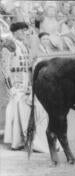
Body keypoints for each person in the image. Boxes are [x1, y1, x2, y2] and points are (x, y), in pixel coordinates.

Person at [4, 22, 32, 150]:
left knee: (24, 111)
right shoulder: (10, 45)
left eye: (24, 31)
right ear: (15, 32)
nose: (24, 33)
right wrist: (11, 87)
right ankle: (16, 142)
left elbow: (27, 67)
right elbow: (5, 68)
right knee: (15, 111)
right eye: (21, 31)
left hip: (24, 81)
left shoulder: (24, 46)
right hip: (16, 82)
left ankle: (23, 139)